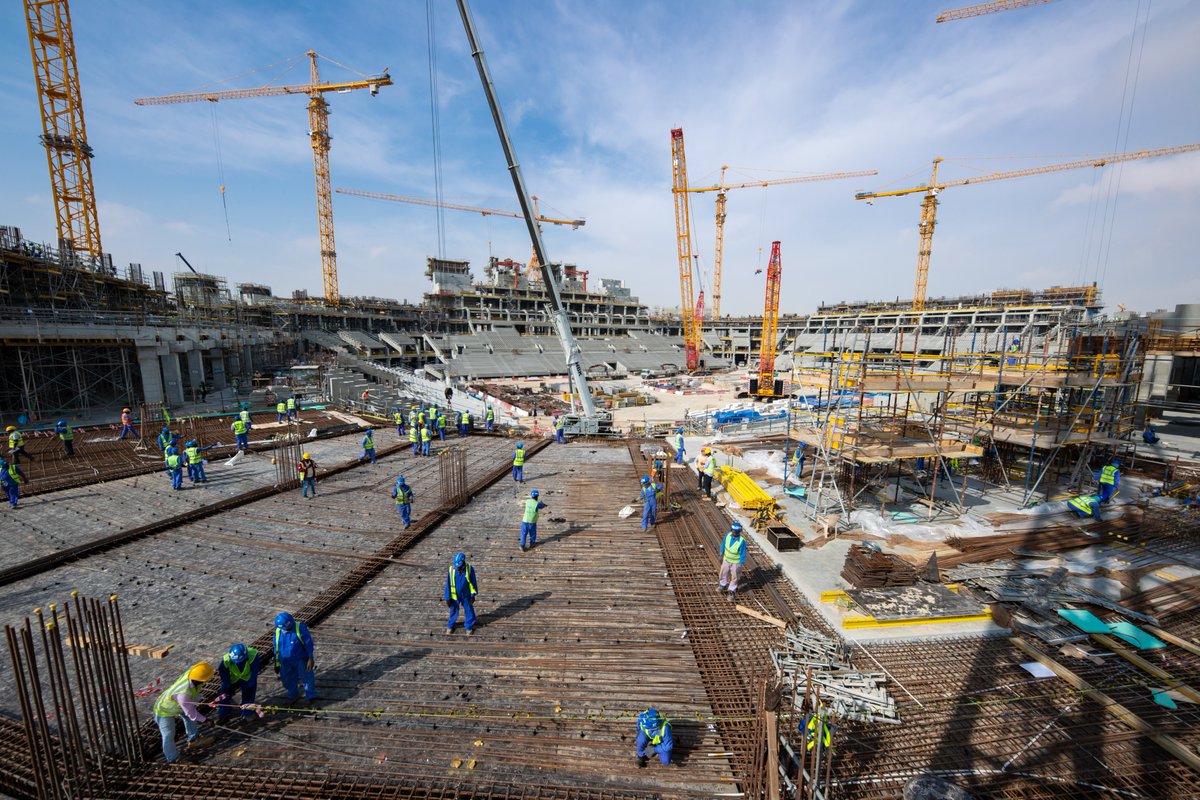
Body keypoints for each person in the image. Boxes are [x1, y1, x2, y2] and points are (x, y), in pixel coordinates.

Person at [153, 662, 216, 763]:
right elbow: (192, 714)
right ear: (201, 679)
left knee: (188, 717)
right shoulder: (184, 695)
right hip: (163, 710)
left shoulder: (192, 675)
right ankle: (173, 758)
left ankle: (194, 740)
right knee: (168, 734)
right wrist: (206, 720)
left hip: (178, 704)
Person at [273, 612, 317, 705]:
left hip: (300, 658)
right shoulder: (277, 632)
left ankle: (311, 695)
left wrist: (310, 657)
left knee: (307, 677)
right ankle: (293, 694)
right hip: (284, 660)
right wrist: (276, 663)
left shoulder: (299, 627)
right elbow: (276, 648)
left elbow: (308, 643)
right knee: (287, 678)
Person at [217, 643, 268, 723]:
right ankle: (223, 713)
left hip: (247, 678)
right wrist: (227, 684)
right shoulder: (226, 660)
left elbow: (255, 671)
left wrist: (251, 683)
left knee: (249, 695)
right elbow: (223, 673)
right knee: (224, 695)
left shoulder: (253, 655)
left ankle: (247, 713)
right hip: (233, 678)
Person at [444, 552, 479, 635]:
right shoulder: (451, 570)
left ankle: (468, 626)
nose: (458, 568)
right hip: (454, 595)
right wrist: (447, 597)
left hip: (466, 595)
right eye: (456, 566)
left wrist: (473, 595)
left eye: (459, 566)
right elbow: (448, 584)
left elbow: (473, 582)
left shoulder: (470, 569)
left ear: (463, 562)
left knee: (469, 609)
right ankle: (450, 626)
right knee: (453, 610)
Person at [718, 522, 747, 598]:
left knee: (734, 577)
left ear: (739, 532)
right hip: (726, 559)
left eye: (736, 532)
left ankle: (732, 591)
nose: (734, 533)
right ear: (731, 530)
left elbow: (743, 554)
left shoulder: (741, 541)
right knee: (723, 573)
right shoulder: (728, 536)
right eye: (733, 531)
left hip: (735, 562)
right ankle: (722, 585)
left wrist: (740, 564)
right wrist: (721, 553)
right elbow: (723, 544)